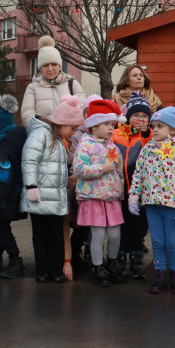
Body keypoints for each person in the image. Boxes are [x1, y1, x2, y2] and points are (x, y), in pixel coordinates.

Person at [127, 107, 175, 295]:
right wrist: (134, 198)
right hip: (152, 205)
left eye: (160, 126)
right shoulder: (147, 149)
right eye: (154, 126)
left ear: (173, 130)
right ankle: (160, 275)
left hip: (172, 206)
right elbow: (139, 175)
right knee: (157, 242)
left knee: (172, 243)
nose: (155, 129)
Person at [21, 95, 81, 283]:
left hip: (55, 197)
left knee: (55, 234)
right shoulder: (41, 135)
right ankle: (42, 269)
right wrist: (31, 186)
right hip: (39, 195)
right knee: (40, 233)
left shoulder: (59, 140)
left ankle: (55, 269)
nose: (73, 132)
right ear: (61, 123)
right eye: (71, 128)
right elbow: (29, 160)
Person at [73, 99, 125, 287]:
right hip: (93, 197)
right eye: (106, 124)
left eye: (112, 124)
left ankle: (112, 262)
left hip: (111, 198)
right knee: (97, 235)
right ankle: (98, 266)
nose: (111, 128)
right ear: (94, 126)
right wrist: (101, 168)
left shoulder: (112, 147)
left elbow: (119, 172)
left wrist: (120, 190)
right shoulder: (84, 145)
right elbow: (79, 169)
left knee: (115, 235)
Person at [0, 94, 28, 279]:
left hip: (3, 198)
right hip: (6, 196)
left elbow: (3, 178)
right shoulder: (8, 142)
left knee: (0, 227)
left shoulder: (3, 149)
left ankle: (15, 259)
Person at [113, 91, 154, 279]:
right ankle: (119, 260)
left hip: (140, 194)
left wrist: (145, 132)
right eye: (136, 115)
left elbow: (150, 140)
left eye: (144, 116)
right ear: (128, 117)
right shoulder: (116, 134)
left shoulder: (148, 136)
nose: (140, 119)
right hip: (120, 192)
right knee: (122, 228)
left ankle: (136, 260)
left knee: (138, 228)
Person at [20, 36, 80, 125]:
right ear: (40, 68)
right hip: (44, 134)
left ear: (59, 66)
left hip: (69, 136)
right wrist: (43, 128)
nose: (50, 68)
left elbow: (82, 109)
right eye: (45, 65)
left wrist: (69, 128)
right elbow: (27, 115)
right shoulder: (32, 88)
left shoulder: (72, 84)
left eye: (54, 64)